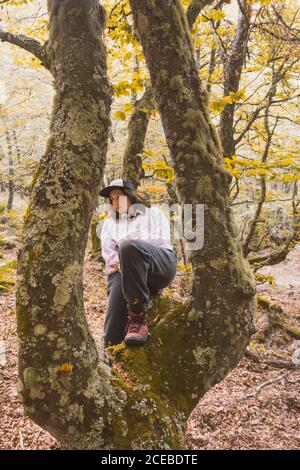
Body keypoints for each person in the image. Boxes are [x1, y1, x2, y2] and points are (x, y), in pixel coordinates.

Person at [98, 178, 177, 348]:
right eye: (112, 199)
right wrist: (128, 260)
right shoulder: (110, 224)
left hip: (160, 265)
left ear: (130, 195)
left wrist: (129, 253)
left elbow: (156, 244)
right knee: (111, 335)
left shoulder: (153, 214)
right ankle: (110, 360)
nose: (115, 202)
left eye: (118, 196)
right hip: (125, 273)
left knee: (128, 247)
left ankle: (138, 318)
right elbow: (111, 259)